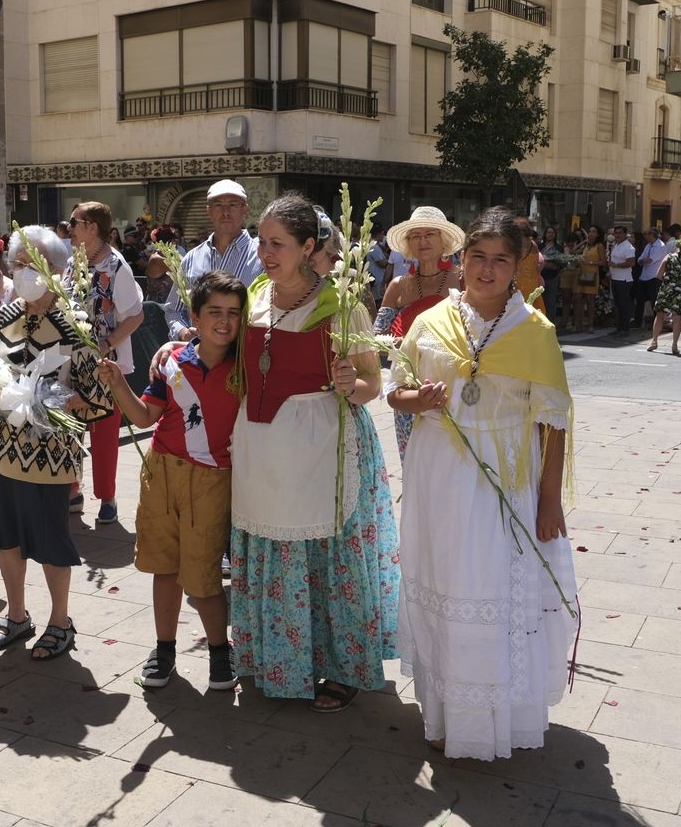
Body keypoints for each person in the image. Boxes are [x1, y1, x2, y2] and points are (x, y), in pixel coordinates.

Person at [386, 206, 578, 761]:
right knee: (443, 581)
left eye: (500, 260)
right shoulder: (430, 321)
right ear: (461, 258)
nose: (487, 270)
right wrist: (415, 399)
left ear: (518, 267)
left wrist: (548, 499)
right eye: (478, 257)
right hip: (436, 473)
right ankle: (445, 713)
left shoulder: (534, 332)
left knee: (487, 585)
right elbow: (395, 391)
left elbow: (552, 421)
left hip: (501, 475)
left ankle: (496, 719)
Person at [230, 193, 398, 712]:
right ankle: (276, 661)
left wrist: (352, 382)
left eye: (277, 243)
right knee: (271, 550)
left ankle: (343, 668)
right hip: (263, 448)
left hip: (322, 445)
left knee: (328, 557)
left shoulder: (341, 304)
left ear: (307, 247)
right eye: (261, 241)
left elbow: (373, 384)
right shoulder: (256, 293)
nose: (265, 252)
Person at [97, 271, 246, 691]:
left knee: (203, 576)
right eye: (214, 312)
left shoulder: (248, 366)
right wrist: (117, 384)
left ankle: (220, 649)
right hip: (161, 473)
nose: (224, 321)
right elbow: (145, 416)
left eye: (234, 314)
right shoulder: (171, 361)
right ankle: (164, 649)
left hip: (212, 481)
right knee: (164, 567)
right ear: (194, 317)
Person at [0, 225, 114, 660]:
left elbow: (98, 397)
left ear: (56, 271)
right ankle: (16, 615)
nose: (25, 273)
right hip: (1, 449)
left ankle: (60, 621)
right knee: (7, 538)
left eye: (35, 265)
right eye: (19, 264)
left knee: (51, 539)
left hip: (49, 453)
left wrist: (58, 400)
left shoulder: (76, 324)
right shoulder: (2, 317)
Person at [67, 201, 145, 525]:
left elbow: (136, 315)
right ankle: (72, 491)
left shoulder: (117, 267)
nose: (69, 228)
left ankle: (107, 497)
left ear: (92, 228)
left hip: (104, 362)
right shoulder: (74, 263)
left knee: (103, 430)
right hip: (72, 360)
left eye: (75, 222)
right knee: (70, 427)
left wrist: (107, 343)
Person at [374, 207, 464, 463]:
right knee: (413, 464)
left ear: (443, 240)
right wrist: (402, 344)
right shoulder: (398, 286)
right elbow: (377, 339)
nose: (423, 241)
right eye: (416, 236)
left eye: (430, 234)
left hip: (450, 387)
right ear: (409, 244)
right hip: (407, 391)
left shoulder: (462, 280)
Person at [164, 180, 263, 341]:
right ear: (208, 211)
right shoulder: (191, 258)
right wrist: (183, 332)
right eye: (218, 205)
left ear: (245, 209)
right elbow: (173, 309)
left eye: (232, 205)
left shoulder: (261, 257)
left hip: (244, 354)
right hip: (200, 355)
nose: (225, 212)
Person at [648, 234, 681, 354]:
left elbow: (658, 275)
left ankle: (654, 341)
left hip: (666, 289)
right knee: (677, 318)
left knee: (660, 315)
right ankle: (674, 345)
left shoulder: (669, 257)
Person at [571, 226, 604, 332]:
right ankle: (578, 325)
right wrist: (584, 241)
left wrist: (589, 263)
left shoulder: (599, 246)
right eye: (589, 231)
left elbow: (603, 262)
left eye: (594, 232)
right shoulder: (586, 245)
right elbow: (572, 251)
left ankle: (590, 325)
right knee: (578, 299)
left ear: (598, 234)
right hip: (580, 274)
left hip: (592, 275)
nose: (591, 233)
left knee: (590, 300)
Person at [634, 227, 668, 329]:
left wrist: (642, 261)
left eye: (646, 234)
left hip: (654, 277)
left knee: (654, 302)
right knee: (640, 300)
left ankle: (656, 323)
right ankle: (637, 321)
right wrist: (642, 261)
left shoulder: (660, 246)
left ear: (652, 235)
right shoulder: (648, 245)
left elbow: (650, 260)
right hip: (644, 276)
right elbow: (640, 259)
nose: (645, 236)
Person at [607, 225, 635, 334]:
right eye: (616, 233)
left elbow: (631, 262)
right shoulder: (616, 245)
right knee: (618, 304)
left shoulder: (628, 247)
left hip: (624, 279)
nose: (617, 235)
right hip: (615, 278)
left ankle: (625, 328)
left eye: (620, 233)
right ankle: (619, 327)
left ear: (624, 234)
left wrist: (617, 265)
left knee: (624, 305)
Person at [539, 226, 564, 323]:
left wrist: (553, 266)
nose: (550, 234)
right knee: (541, 301)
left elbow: (561, 263)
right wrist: (545, 265)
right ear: (545, 234)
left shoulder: (558, 247)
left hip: (553, 277)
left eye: (552, 233)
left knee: (551, 302)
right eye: (548, 232)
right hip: (540, 277)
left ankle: (551, 323)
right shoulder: (539, 247)